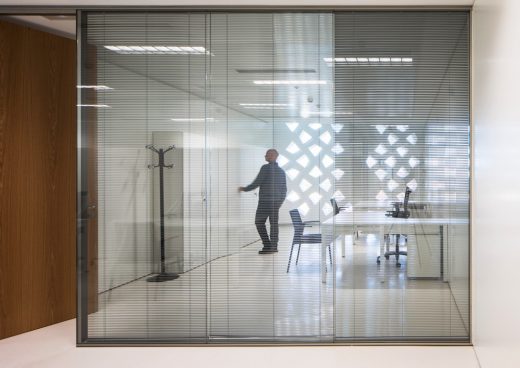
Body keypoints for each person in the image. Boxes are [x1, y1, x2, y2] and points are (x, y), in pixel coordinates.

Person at [239, 149, 287, 254]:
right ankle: (273, 246)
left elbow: (257, 182)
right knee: (274, 224)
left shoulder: (265, 168)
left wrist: (244, 189)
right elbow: (284, 190)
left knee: (259, 222)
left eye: (268, 155)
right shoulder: (282, 171)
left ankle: (267, 245)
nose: (266, 156)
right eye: (266, 155)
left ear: (274, 156)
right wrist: (279, 202)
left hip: (265, 202)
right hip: (276, 202)